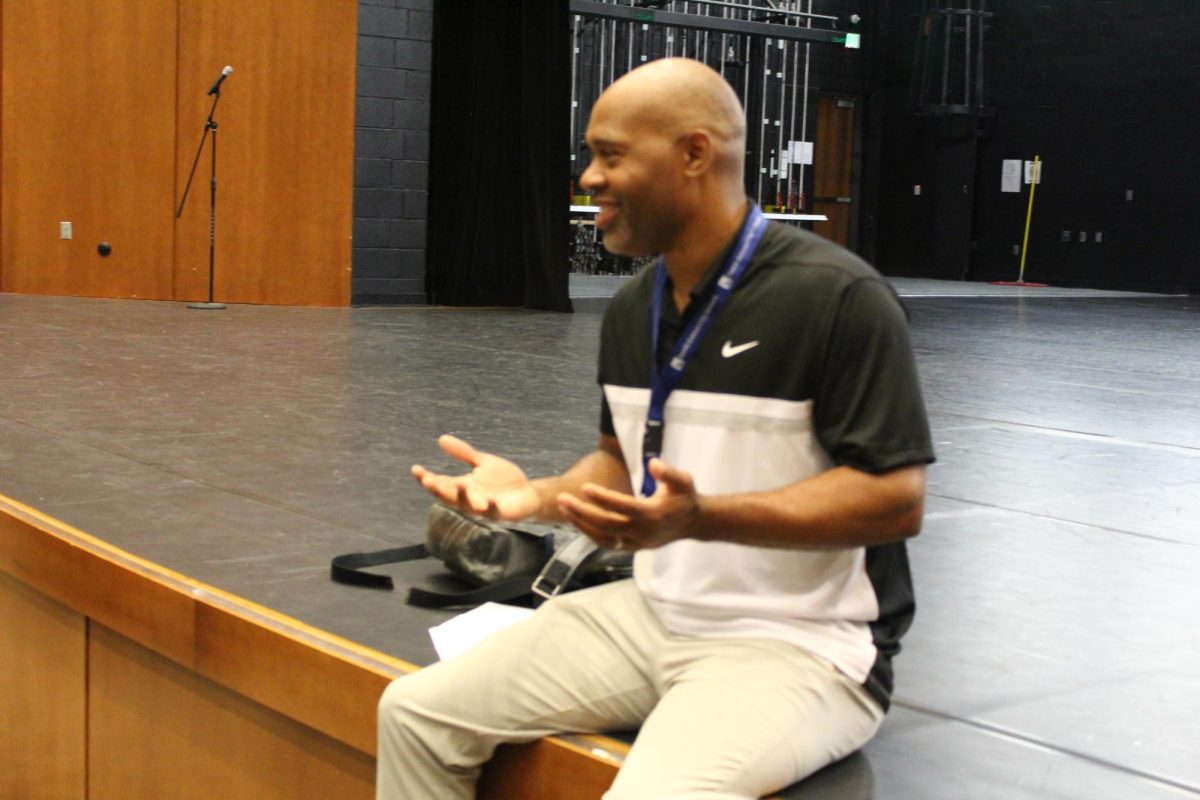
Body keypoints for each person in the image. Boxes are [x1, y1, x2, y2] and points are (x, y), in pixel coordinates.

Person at [377, 57, 934, 800]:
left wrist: (704, 519)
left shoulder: (839, 300)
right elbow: (618, 460)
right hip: (651, 612)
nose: (587, 177)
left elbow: (895, 500)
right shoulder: (635, 306)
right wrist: (534, 498)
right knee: (414, 713)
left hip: (798, 646)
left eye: (609, 155)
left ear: (694, 155)